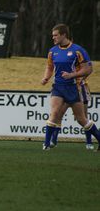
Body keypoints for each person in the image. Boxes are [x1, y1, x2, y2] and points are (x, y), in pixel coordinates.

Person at [41, 23, 100, 151]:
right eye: (53, 36)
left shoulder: (78, 50)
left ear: (63, 35)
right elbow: (50, 67)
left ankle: (95, 140)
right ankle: (46, 145)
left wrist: (72, 75)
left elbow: (88, 69)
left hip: (73, 88)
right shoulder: (52, 51)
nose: (53, 38)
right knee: (55, 113)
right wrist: (46, 77)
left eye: (55, 35)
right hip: (58, 87)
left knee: (81, 119)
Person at [50, 76, 94, 150]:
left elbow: (87, 70)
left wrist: (80, 78)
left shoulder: (80, 64)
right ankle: (53, 140)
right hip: (65, 88)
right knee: (58, 115)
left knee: (83, 117)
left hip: (80, 88)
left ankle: (89, 142)